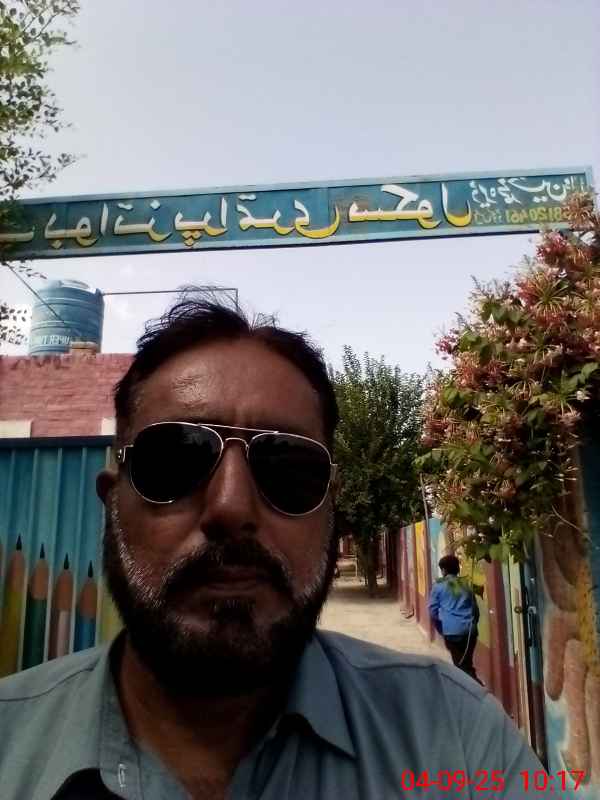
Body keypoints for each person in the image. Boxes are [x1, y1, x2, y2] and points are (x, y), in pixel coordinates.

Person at [0, 297, 549, 799]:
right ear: (112, 503)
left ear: (330, 511)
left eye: (287, 469)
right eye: (175, 460)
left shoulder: (457, 739)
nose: (231, 507)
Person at [428, 554, 482, 684]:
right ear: (457, 568)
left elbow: (432, 612)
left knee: (461, 668)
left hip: (452, 632)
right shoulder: (466, 584)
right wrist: (472, 625)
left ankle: (477, 690)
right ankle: (475, 688)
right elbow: (475, 610)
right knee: (466, 664)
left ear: (444, 570)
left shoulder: (438, 586)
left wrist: (441, 628)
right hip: (470, 631)